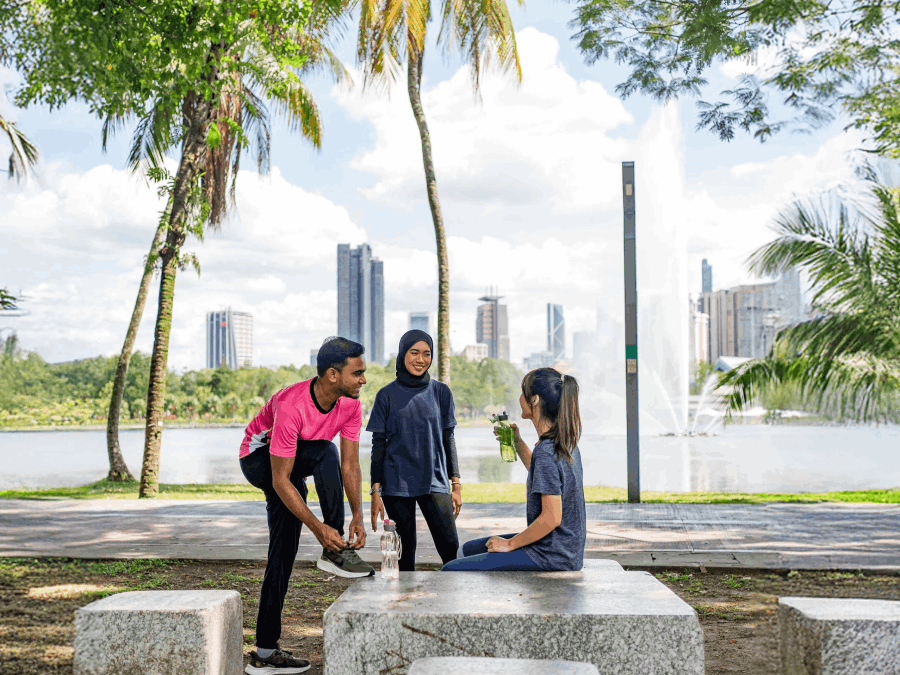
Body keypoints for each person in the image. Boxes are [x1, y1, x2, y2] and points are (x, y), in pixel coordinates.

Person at [239, 336, 374, 675]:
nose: (363, 380)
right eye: (357, 373)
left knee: (283, 551)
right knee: (322, 454)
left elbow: (350, 466)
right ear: (332, 374)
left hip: (297, 459)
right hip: (259, 459)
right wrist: (320, 530)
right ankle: (333, 548)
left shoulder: (351, 404)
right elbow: (281, 478)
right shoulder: (292, 404)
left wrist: (358, 514)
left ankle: (265, 653)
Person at [441, 367, 585, 572]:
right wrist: (517, 442)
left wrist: (509, 544)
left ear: (534, 400)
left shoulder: (546, 451)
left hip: (551, 555)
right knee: (465, 550)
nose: (519, 397)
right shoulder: (564, 442)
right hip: (564, 549)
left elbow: (552, 517)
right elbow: (543, 474)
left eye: (522, 391)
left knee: (450, 570)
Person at [366, 329, 462, 571]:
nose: (421, 359)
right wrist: (375, 491)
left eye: (427, 354)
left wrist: (456, 484)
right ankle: (404, 606)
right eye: (414, 353)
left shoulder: (441, 393)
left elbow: (448, 438)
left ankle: (457, 605)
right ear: (403, 354)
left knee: (452, 551)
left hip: (435, 481)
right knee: (404, 558)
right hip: (397, 484)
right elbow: (378, 445)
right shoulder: (385, 395)